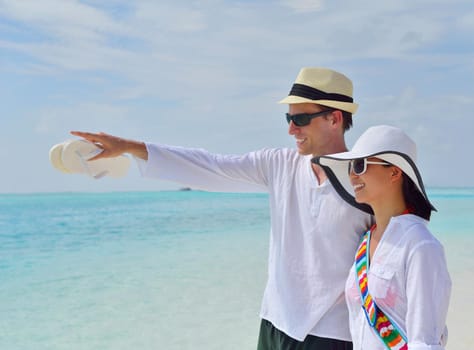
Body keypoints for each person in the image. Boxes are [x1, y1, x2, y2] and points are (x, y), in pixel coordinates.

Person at [71, 67, 374, 349]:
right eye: (288, 119)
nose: (291, 129)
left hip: (334, 334)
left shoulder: (368, 180)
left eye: (301, 119)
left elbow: (398, 258)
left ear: (335, 119)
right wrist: (130, 147)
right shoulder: (279, 164)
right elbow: (212, 167)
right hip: (275, 322)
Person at [313, 125, 451, 349]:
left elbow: (425, 342)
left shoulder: (421, 245)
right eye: (350, 166)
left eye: (360, 165)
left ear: (395, 172)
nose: (351, 175)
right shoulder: (365, 243)